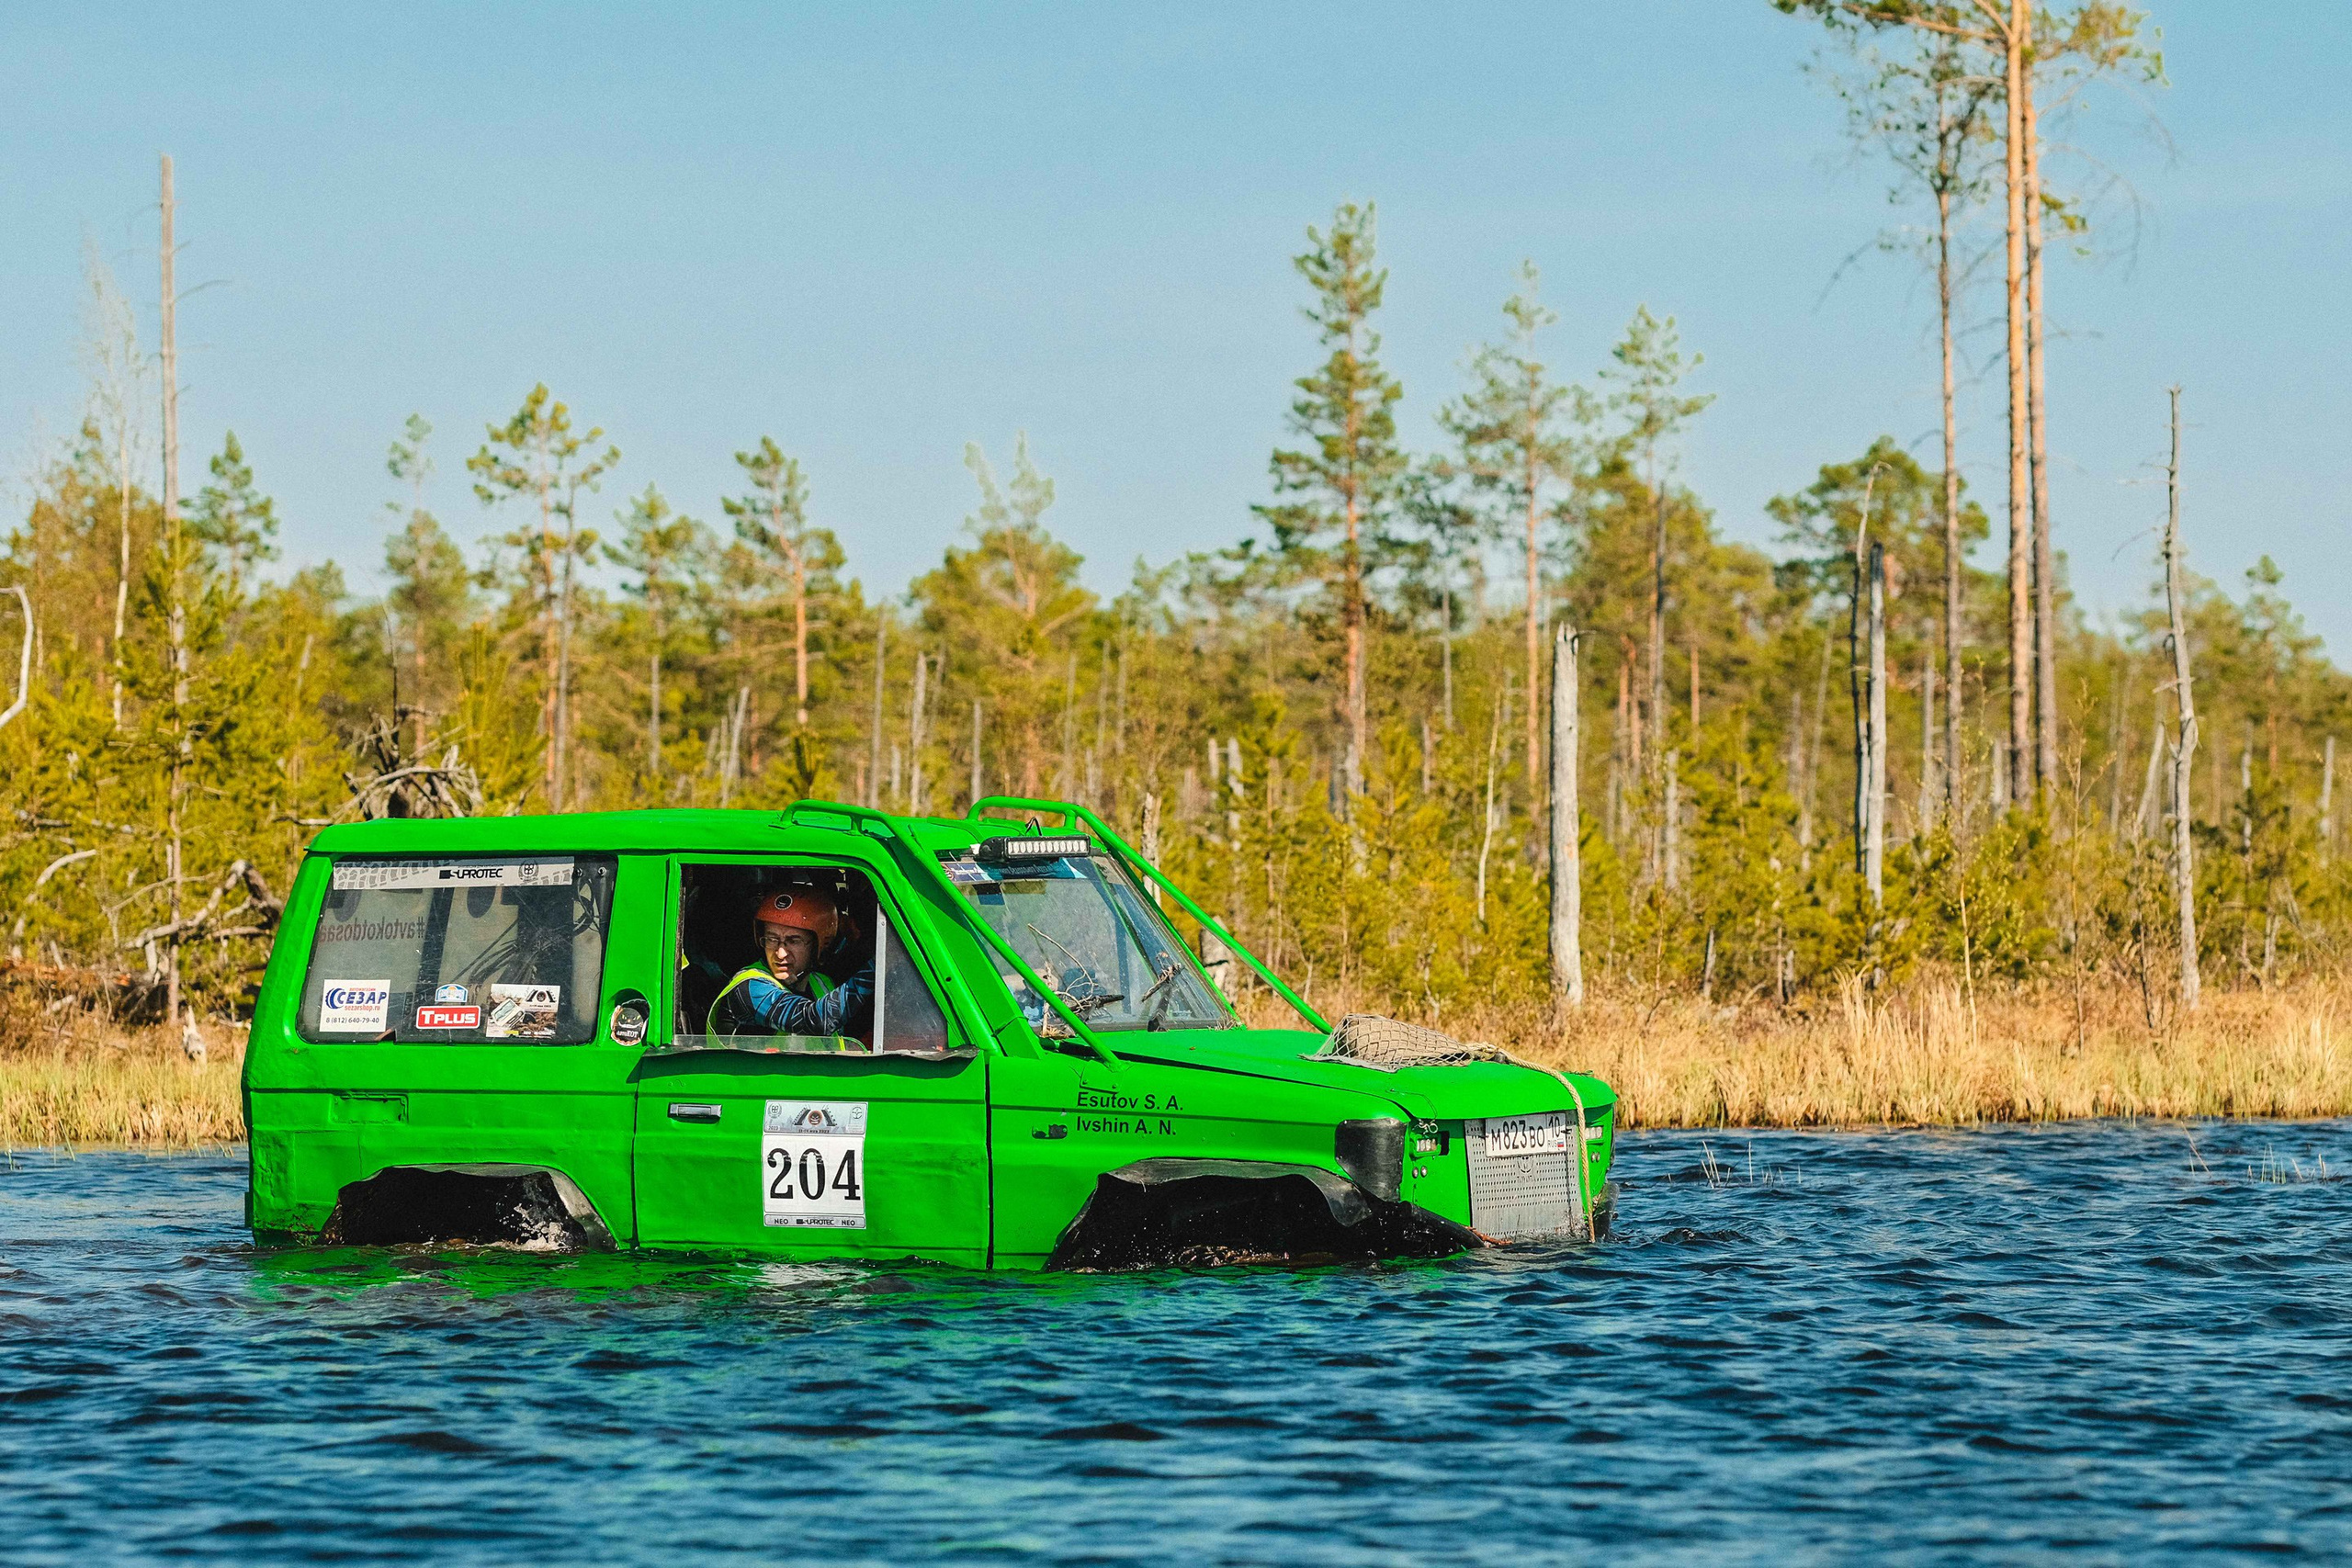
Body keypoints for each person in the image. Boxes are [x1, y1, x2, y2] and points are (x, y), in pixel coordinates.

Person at [706, 886, 874, 1045]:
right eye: (772, 939)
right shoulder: (749, 986)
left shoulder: (823, 983)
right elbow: (816, 1021)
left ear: (821, 946)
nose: (780, 954)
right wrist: (878, 967)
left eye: (794, 941)